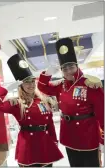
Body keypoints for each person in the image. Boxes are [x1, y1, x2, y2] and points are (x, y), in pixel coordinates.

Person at [37, 37, 104, 167]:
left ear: (77, 66)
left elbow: (102, 112)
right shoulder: (61, 85)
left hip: (88, 136)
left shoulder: (89, 84)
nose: (68, 71)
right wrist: (50, 71)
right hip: (69, 135)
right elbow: (42, 87)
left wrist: (103, 138)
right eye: (64, 69)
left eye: (71, 67)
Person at [0, 54, 63, 167]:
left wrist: (54, 141)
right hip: (27, 146)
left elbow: (50, 124)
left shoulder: (43, 101)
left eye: (32, 81)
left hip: (45, 143)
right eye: (27, 82)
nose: (31, 85)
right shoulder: (16, 103)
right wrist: (5, 89)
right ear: (20, 85)